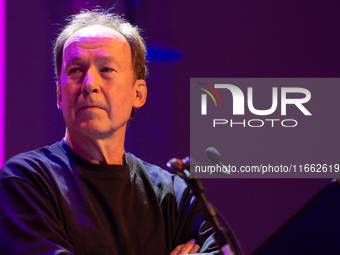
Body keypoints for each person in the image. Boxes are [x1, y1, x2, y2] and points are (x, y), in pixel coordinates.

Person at [0, 9, 219, 255]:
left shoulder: (173, 194)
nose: (90, 83)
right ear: (60, 94)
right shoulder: (26, 179)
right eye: (75, 70)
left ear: (138, 94)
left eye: (106, 70)